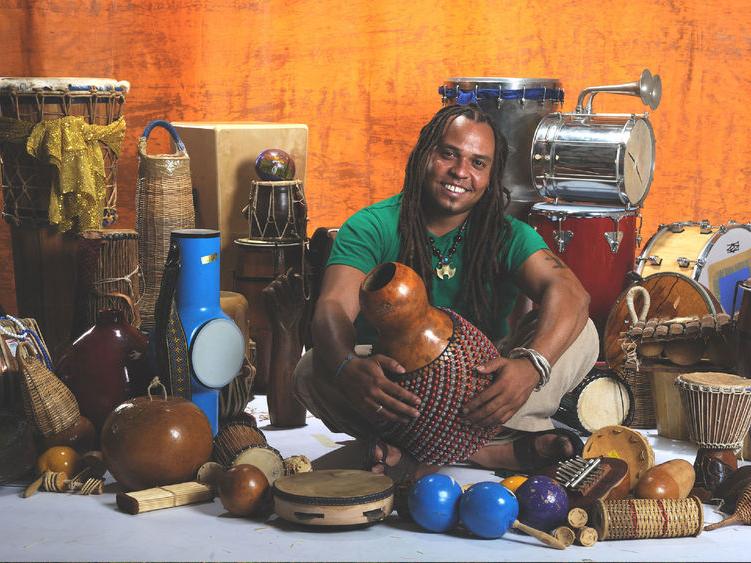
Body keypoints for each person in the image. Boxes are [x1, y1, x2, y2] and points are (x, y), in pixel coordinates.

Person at [294, 104, 599, 481]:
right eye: (449, 154)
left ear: (490, 175)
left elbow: (571, 294)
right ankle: (491, 451)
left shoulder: (505, 234)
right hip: (401, 394)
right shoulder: (373, 225)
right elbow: (332, 307)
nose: (461, 172)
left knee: (582, 332)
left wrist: (529, 366)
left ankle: (419, 457)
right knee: (312, 368)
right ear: (425, 154)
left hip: (483, 392)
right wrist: (348, 367)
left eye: (478, 163)